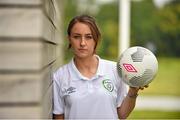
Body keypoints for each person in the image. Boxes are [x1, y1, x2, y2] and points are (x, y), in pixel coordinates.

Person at [53, 14, 148, 119]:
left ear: (96, 39)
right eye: (76, 37)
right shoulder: (60, 76)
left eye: (89, 37)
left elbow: (122, 115)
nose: (82, 43)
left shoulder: (115, 70)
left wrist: (133, 91)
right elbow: (58, 117)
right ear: (69, 39)